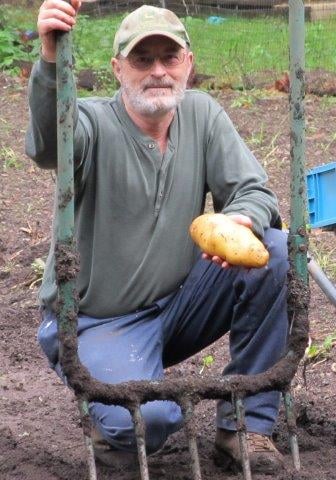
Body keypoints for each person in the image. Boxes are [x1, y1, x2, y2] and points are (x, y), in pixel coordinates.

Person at [26, 0, 289, 474]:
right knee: (148, 421)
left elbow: (253, 191)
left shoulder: (203, 117)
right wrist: (50, 58)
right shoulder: (88, 123)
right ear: (117, 68)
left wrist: (244, 220)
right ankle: (111, 419)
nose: (158, 72)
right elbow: (49, 145)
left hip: (176, 308)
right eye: (142, 59)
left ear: (187, 62)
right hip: (93, 323)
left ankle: (245, 427)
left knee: (276, 252)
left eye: (169, 58)